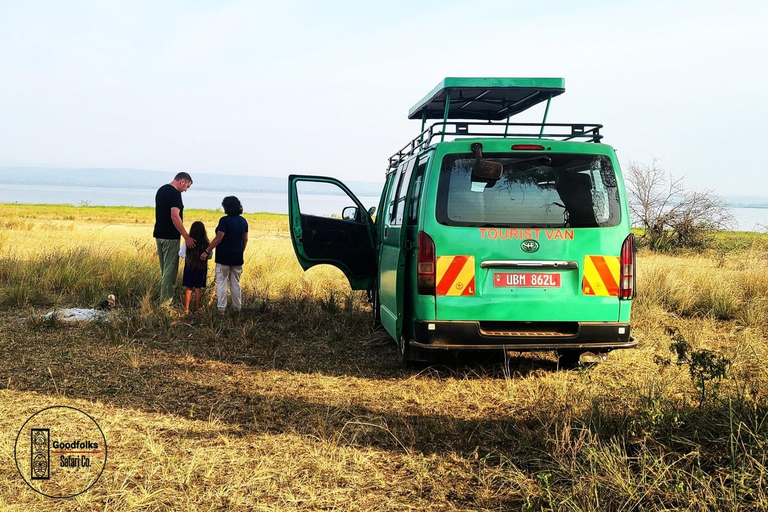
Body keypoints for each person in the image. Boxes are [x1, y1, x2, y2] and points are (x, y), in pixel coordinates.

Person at [202, 196, 248, 314]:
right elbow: (245, 239)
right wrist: (240, 251)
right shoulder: (243, 221)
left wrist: (206, 251)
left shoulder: (224, 221)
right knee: (235, 284)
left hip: (223, 257)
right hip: (237, 257)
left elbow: (219, 238)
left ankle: (221, 309)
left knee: (222, 283)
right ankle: (237, 308)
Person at [153, 172, 194, 303]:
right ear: (182, 181)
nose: (186, 190)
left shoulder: (161, 190)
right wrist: (186, 236)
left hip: (159, 234)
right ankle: (165, 302)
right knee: (170, 271)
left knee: (165, 269)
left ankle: (163, 298)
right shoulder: (175, 193)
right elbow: (174, 216)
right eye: (187, 186)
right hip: (170, 236)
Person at [181, 221, 210, 314]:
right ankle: (198, 309)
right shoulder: (206, 243)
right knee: (198, 288)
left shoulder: (188, 242)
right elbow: (210, 255)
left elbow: (181, 253)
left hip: (189, 267)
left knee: (188, 288)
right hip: (201, 268)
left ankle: (186, 309)